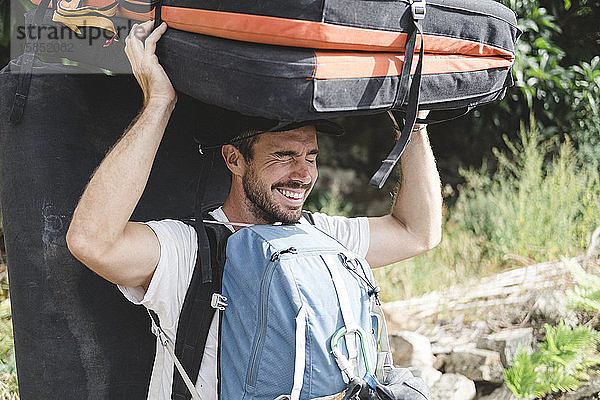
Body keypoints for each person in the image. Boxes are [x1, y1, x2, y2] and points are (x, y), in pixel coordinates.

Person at [66, 20, 443, 400]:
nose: (304, 174)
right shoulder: (191, 250)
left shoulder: (323, 237)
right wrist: (158, 104)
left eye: (311, 156)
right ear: (233, 159)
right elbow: (92, 241)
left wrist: (413, 127)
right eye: (285, 156)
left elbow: (418, 232)